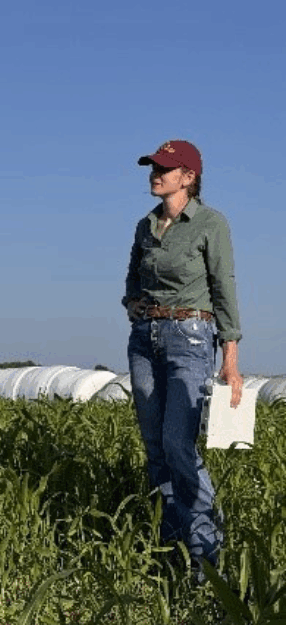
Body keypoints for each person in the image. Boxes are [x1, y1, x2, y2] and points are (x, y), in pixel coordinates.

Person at [123, 139, 242, 573]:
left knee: (178, 443)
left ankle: (207, 552)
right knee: (156, 447)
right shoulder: (145, 225)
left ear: (188, 177)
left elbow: (224, 288)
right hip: (144, 340)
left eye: (165, 168)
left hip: (190, 338)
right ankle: (171, 550)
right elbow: (132, 278)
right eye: (153, 166)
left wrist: (229, 356)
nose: (155, 173)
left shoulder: (210, 223)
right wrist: (133, 305)